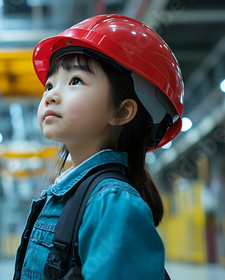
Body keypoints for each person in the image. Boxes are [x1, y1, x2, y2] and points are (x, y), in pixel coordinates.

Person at [13, 14, 184, 280]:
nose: (50, 95)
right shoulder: (71, 194)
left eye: (75, 81)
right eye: (49, 84)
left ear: (122, 111)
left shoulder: (113, 203)